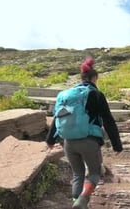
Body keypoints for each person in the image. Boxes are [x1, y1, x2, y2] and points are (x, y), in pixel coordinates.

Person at [46, 56, 123, 209]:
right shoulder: (96, 94)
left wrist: (50, 140)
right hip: (88, 140)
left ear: (81, 78)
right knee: (94, 173)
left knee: (77, 174)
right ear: (95, 78)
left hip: (68, 142)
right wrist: (117, 145)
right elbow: (108, 120)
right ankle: (83, 198)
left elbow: (57, 117)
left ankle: (76, 202)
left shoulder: (65, 95)